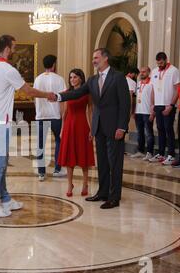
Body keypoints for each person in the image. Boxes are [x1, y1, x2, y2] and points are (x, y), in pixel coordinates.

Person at [0, 35, 56, 218]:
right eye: (13, 47)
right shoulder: (8, 70)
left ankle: (5, 198)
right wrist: (48, 95)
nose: (14, 51)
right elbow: (28, 91)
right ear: (7, 48)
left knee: (1, 163)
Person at [51, 48, 131, 209]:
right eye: (93, 58)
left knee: (114, 163)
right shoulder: (93, 80)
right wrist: (58, 96)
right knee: (102, 162)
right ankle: (102, 193)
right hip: (99, 127)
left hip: (115, 128)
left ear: (105, 58)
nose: (93, 60)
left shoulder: (118, 77)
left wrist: (122, 127)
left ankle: (114, 197)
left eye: (96, 57)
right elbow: (78, 92)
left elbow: (125, 104)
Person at [57, 69, 95, 197]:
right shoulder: (68, 93)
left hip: (83, 125)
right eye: (71, 77)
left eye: (75, 77)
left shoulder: (87, 93)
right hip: (69, 125)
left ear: (81, 78)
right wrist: (62, 129)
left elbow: (90, 110)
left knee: (83, 156)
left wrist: (92, 128)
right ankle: (69, 185)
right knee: (69, 157)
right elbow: (64, 113)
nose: (72, 79)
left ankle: (85, 184)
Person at [33, 54, 67, 182]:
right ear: (54, 64)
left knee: (40, 144)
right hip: (55, 116)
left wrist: (38, 111)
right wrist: (63, 115)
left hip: (41, 116)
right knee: (59, 141)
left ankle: (41, 173)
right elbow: (63, 99)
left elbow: (35, 98)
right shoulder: (59, 79)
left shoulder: (38, 79)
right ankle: (57, 169)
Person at [149, 52, 180, 165]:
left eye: (161, 63)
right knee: (160, 129)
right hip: (157, 105)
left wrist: (171, 105)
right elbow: (152, 89)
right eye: (158, 63)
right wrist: (152, 105)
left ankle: (171, 155)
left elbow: (178, 89)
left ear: (166, 60)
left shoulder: (174, 70)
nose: (159, 65)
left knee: (169, 129)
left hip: (168, 105)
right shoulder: (154, 71)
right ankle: (161, 154)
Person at [130, 67, 155, 161]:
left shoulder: (152, 83)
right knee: (140, 133)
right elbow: (137, 98)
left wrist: (153, 112)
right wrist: (134, 111)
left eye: (144, 72)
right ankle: (140, 151)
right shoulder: (139, 83)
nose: (142, 73)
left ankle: (149, 153)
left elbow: (154, 98)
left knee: (149, 133)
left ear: (149, 72)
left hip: (147, 112)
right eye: (141, 72)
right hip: (138, 112)